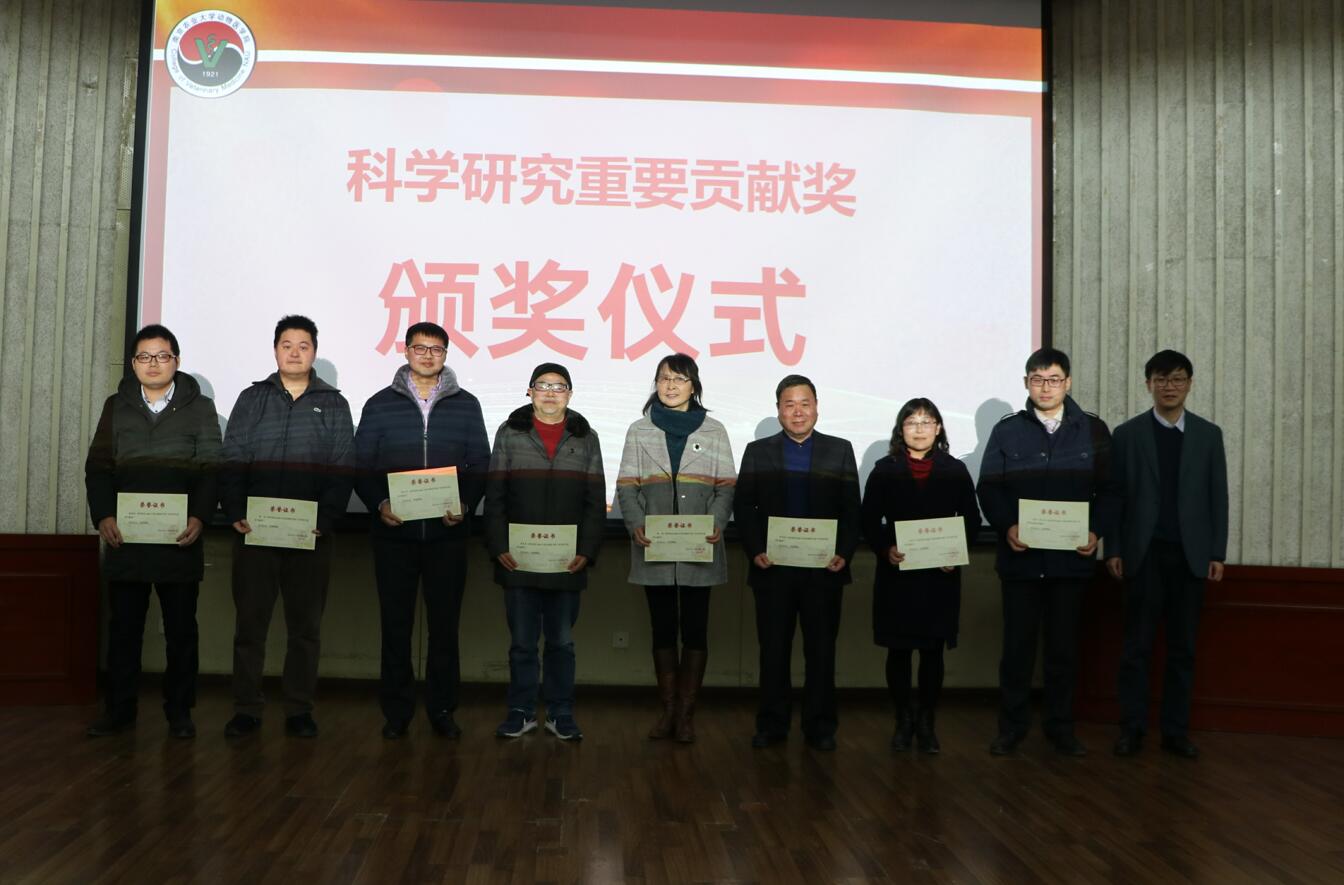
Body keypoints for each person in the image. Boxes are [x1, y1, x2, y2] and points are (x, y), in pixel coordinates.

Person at [977, 347, 1119, 756]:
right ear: (1026, 383)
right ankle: (1012, 728)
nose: (1045, 387)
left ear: (1067, 383)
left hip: (1070, 563)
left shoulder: (1093, 430)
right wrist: (1007, 525)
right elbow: (989, 487)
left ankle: (1060, 728)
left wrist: (1095, 530)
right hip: (1021, 562)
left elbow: (1112, 491)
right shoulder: (1008, 430)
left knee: (1063, 652)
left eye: (1054, 379)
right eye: (1037, 380)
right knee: (1017, 651)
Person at [83, 324, 221, 739]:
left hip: (180, 539)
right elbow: (98, 468)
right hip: (127, 538)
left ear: (177, 361)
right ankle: (119, 711)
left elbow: (212, 469)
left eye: (162, 356)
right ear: (133, 363)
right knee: (124, 630)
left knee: (181, 632)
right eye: (144, 356)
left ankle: (179, 713)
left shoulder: (200, 408)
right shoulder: (116, 406)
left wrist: (200, 517)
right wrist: (104, 516)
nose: (153, 364)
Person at [219, 315, 354, 739]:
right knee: (250, 628)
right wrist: (235, 510)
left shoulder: (334, 403)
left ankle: (299, 709)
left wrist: (325, 519)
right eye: (287, 345)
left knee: (305, 630)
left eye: (303, 346)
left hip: (309, 536)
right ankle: (246, 708)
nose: (295, 353)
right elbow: (233, 457)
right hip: (254, 533)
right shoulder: (251, 398)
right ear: (275, 349)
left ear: (314, 352)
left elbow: (342, 466)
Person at [354, 322, 490, 740]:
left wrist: (466, 504)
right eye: (420, 348)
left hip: (447, 536)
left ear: (446, 354)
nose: (428, 355)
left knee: (444, 629)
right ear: (406, 351)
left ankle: (442, 710)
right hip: (394, 536)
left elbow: (480, 463)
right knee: (395, 627)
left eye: (436, 349)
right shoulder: (380, 404)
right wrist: (380, 503)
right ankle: (396, 713)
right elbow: (362, 465)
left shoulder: (466, 405)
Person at [1106, 350, 1228, 759]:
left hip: (1191, 557)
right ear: (1149, 385)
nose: (1169, 386)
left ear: (1189, 384)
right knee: (1136, 648)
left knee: (1183, 649)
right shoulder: (1127, 434)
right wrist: (1114, 548)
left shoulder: (1209, 435)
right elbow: (1116, 497)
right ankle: (1132, 730)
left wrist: (1216, 551)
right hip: (1143, 555)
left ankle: (1175, 732)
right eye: (1161, 379)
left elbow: (1218, 497)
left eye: (1177, 379)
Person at [734, 374, 861, 751]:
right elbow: (744, 506)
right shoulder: (758, 451)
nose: (798, 411)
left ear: (817, 408)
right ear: (778, 410)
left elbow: (851, 510)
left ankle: (820, 727)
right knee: (773, 651)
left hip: (824, 570)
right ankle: (772, 725)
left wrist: (844, 552)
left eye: (805, 403)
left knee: (821, 652)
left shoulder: (839, 450)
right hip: (773, 569)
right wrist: (755, 549)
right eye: (789, 404)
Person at [616, 354, 735, 743]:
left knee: (696, 629)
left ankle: (686, 714)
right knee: (662, 629)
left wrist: (717, 522)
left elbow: (726, 486)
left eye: (679, 379)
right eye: (664, 378)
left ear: (693, 386)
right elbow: (627, 486)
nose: (670, 386)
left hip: (701, 546)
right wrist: (635, 524)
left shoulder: (714, 430)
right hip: (654, 546)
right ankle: (668, 711)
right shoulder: (639, 430)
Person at [484, 363, 605, 742]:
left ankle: (560, 712)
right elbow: (495, 494)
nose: (551, 393)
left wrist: (587, 551)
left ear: (570, 394)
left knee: (561, 643)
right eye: (543, 386)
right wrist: (498, 547)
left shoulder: (585, 437)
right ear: (530, 391)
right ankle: (520, 712)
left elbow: (595, 499)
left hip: (567, 562)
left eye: (559, 387)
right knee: (522, 643)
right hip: (518, 559)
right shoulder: (510, 433)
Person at [861, 398, 979, 753]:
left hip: (939, 577)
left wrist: (955, 553)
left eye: (927, 422)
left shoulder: (955, 470)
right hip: (897, 575)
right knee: (898, 652)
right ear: (901, 429)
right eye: (912, 422)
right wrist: (886, 549)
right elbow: (868, 520)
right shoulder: (885, 469)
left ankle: (926, 722)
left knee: (932, 653)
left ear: (938, 428)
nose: (919, 429)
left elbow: (971, 520)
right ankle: (903, 720)